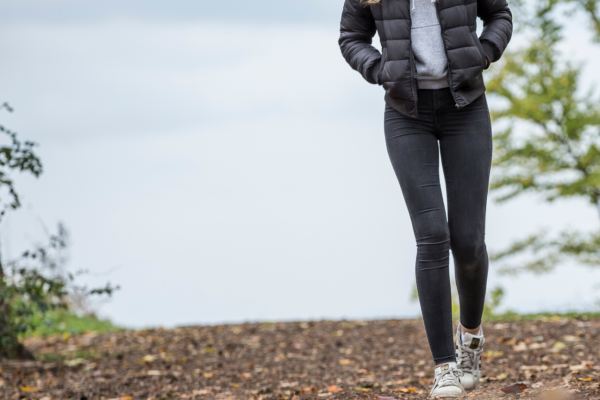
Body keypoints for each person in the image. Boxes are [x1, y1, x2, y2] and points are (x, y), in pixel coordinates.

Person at [338, 0, 512, 397]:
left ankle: (469, 340)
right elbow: (351, 37)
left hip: (465, 108)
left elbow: (499, 14)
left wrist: (484, 53)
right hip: (406, 113)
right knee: (432, 234)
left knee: (468, 242)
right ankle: (444, 367)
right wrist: (379, 68)